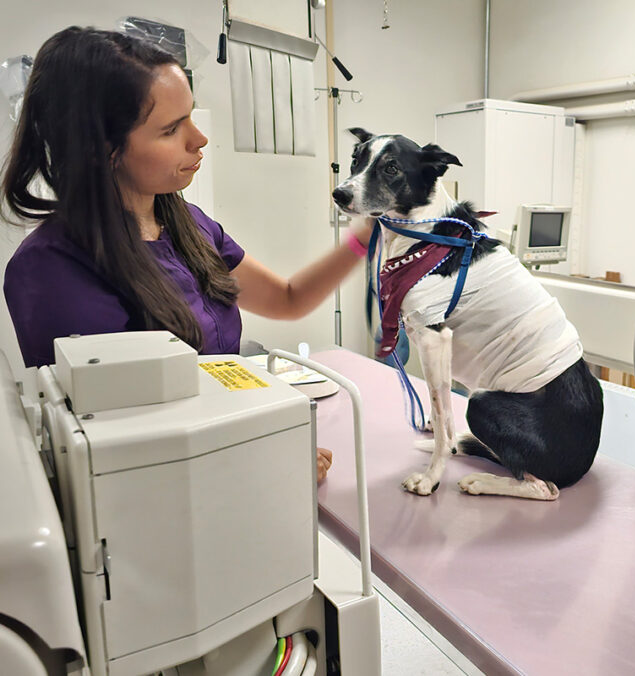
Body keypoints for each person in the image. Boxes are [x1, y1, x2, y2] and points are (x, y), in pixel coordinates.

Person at [1, 27, 370, 481]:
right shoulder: (53, 270)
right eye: (171, 129)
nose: (199, 140)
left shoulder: (190, 225)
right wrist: (262, 457)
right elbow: (121, 452)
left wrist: (364, 238)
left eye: (190, 117)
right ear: (102, 149)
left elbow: (288, 299)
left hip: (231, 456)